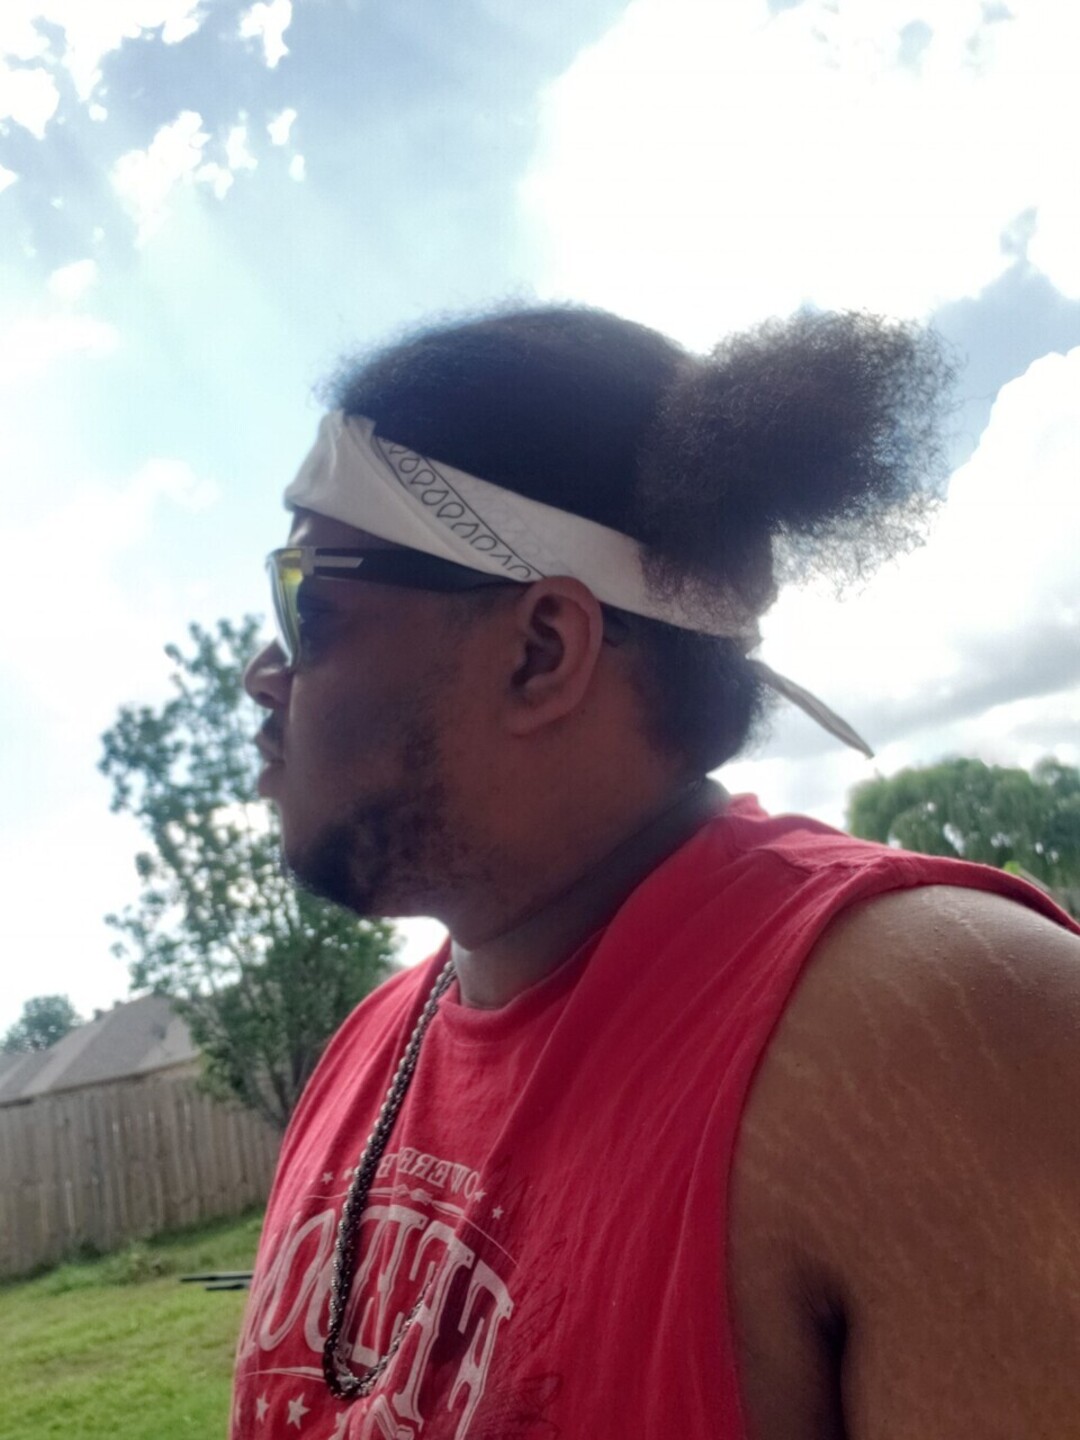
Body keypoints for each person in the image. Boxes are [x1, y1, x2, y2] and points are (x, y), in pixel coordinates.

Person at [233, 306, 1080, 1440]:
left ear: (541, 650)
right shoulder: (369, 1048)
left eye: (308, 601)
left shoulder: (957, 1035)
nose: (261, 670)